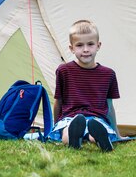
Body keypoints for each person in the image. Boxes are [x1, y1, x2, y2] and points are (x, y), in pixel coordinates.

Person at [47, 19, 121, 151]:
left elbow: (109, 106)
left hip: (97, 118)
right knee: (67, 133)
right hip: (71, 118)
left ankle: (102, 141)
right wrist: (56, 125)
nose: (86, 50)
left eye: (90, 44)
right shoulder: (64, 71)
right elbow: (58, 102)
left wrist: (117, 132)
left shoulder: (108, 74)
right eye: (80, 45)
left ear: (98, 46)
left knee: (96, 131)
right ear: (72, 48)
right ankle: (74, 139)